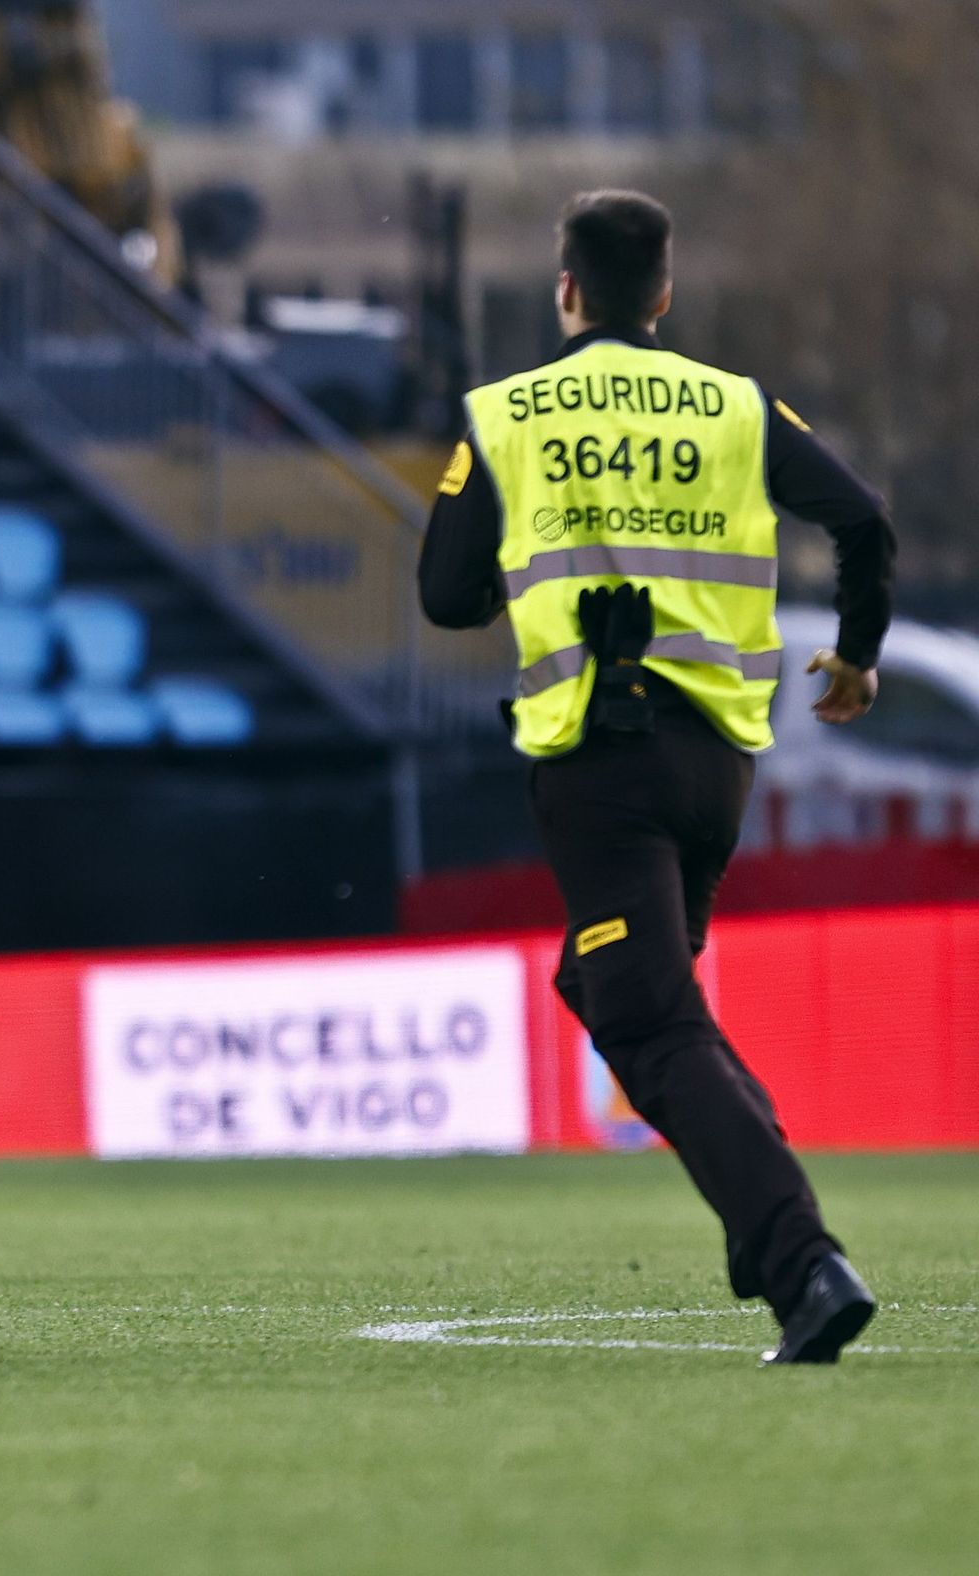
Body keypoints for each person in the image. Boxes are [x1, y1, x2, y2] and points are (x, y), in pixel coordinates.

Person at [419, 190, 896, 1365]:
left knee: (644, 1011)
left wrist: (515, 579)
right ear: (665, 295)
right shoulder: (733, 406)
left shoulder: (507, 414)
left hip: (599, 757)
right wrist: (859, 656)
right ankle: (765, 1226)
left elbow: (443, 593)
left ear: (566, 289)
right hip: (719, 762)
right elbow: (865, 519)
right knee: (617, 987)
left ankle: (800, 1262)